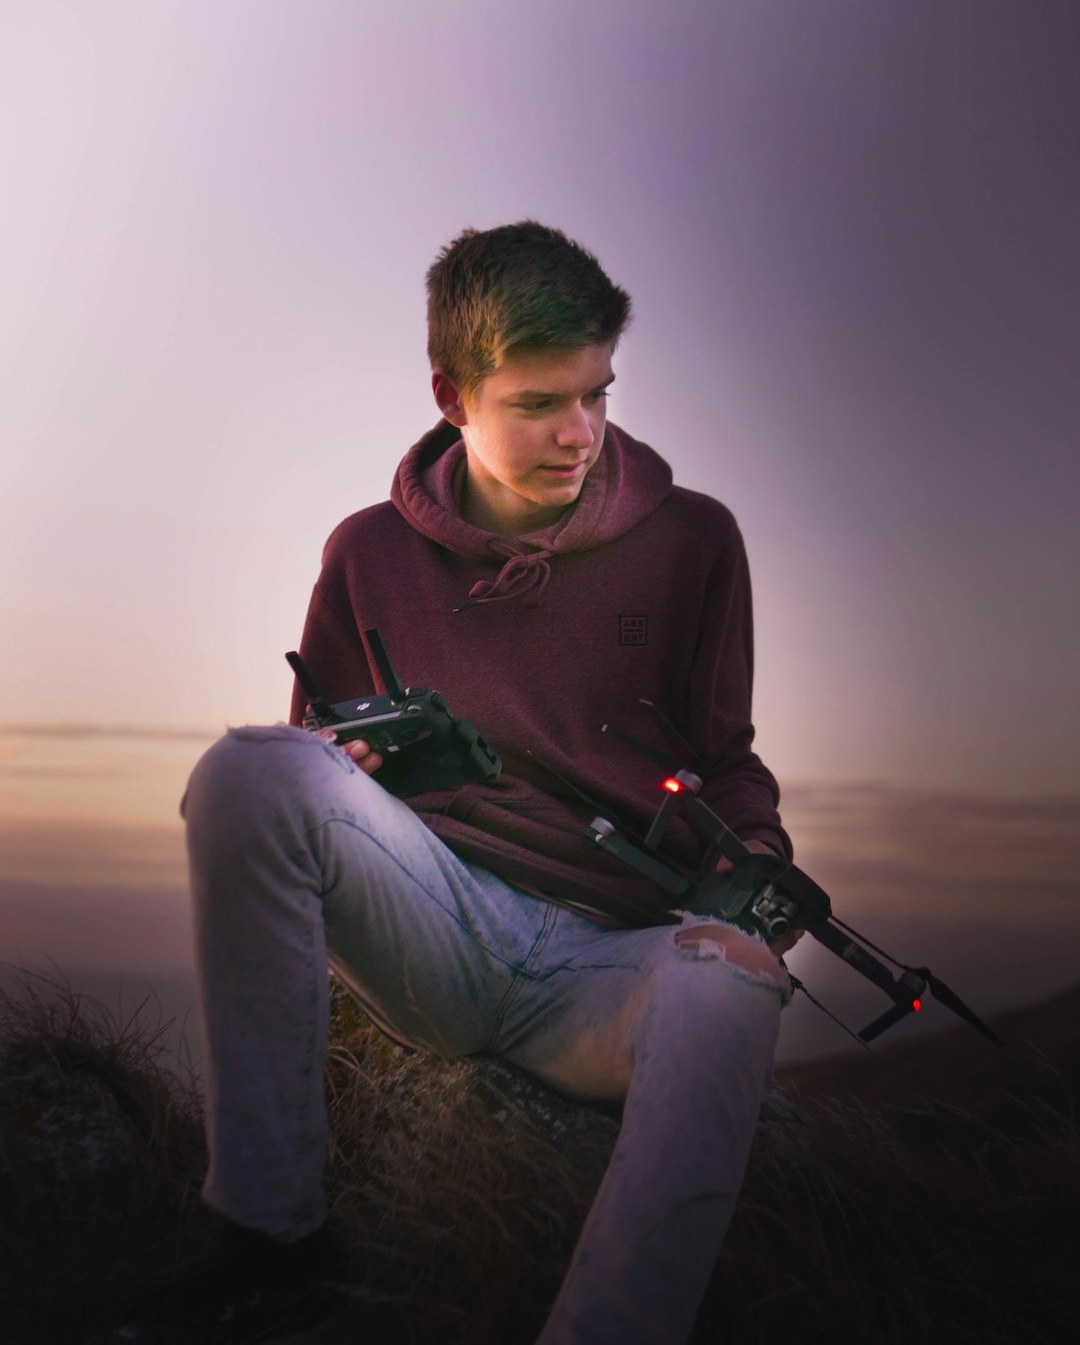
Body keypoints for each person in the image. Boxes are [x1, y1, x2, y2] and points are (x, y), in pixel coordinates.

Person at [156, 222, 797, 1345]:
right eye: (541, 402)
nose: (581, 433)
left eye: (598, 392)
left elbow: (729, 758)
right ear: (453, 395)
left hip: (616, 959)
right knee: (251, 772)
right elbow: (316, 770)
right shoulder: (366, 551)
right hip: (437, 927)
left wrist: (761, 866)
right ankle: (272, 1242)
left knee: (731, 985)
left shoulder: (699, 541)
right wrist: (347, 766)